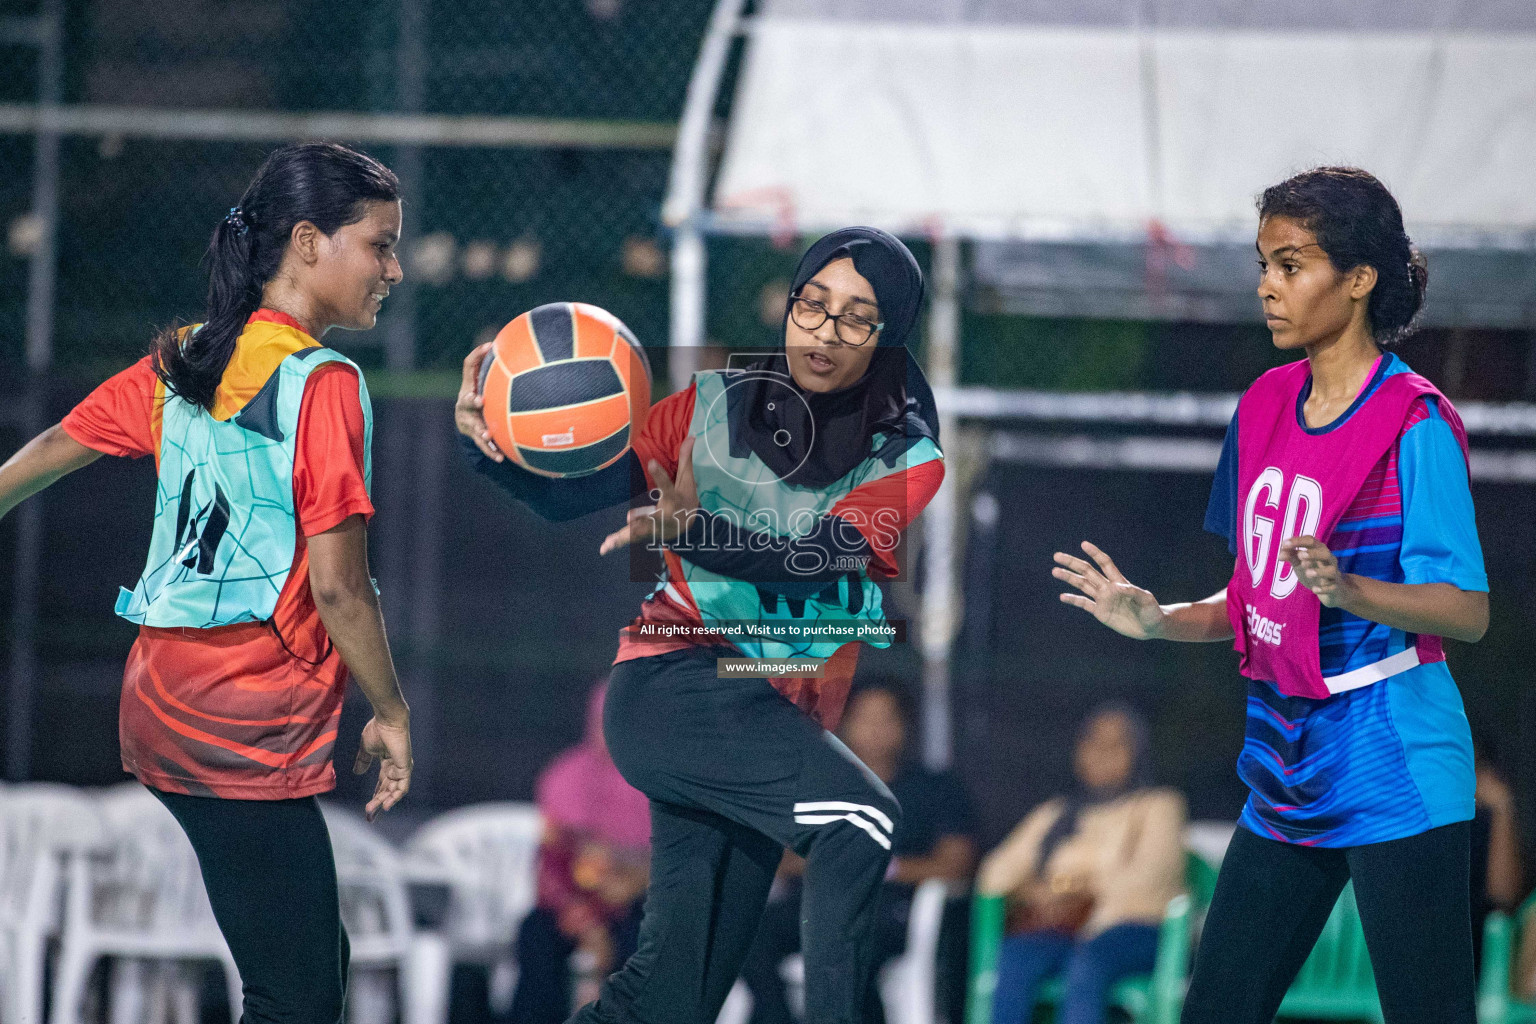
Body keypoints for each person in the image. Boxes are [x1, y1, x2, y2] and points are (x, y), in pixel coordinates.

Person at [456, 226, 945, 1024]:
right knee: (861, 819)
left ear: (889, 335)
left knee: (674, 997)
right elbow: (567, 494)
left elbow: (813, 560)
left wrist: (691, 533)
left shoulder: (906, 457)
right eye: (812, 305)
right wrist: (490, 446)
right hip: (676, 689)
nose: (825, 331)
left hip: (763, 712)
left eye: (857, 317)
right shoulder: (711, 407)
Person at [1052, 166, 1489, 1024]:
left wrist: (1353, 588)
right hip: (1288, 750)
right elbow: (1254, 599)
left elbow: (1466, 611)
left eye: (1291, 265)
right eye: (1264, 265)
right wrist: (1157, 621)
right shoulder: (1264, 405)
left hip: (1394, 743)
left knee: (1428, 1011)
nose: (1268, 287)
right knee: (1218, 1004)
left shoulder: (1415, 421)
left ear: (1358, 279)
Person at [0, 142, 414, 1024]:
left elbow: (38, 459)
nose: (396, 268)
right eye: (379, 245)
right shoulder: (322, 382)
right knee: (296, 994)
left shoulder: (187, 357)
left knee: (307, 967)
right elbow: (343, 589)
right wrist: (391, 712)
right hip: (242, 717)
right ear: (309, 241)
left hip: (161, 697)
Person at [737, 677, 978, 1024]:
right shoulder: (817, 784)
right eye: (865, 718)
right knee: (747, 934)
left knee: (847, 950)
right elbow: (775, 851)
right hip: (813, 902)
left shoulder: (935, 788)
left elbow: (956, 864)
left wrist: (879, 866)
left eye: (887, 719)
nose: (876, 730)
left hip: (888, 908)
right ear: (846, 724)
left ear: (905, 726)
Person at [977, 703, 1186, 1024]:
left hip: (1136, 930)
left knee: (1088, 960)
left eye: (1116, 744)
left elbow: (1149, 880)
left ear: (1137, 752)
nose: (1101, 752)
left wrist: (1075, 891)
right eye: (1092, 741)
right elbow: (994, 876)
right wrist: (1038, 893)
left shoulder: (1159, 805)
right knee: (1016, 957)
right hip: (1066, 931)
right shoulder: (1056, 813)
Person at [509, 681, 651, 1023]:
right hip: (571, 903)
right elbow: (553, 863)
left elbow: (666, 863)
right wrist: (586, 921)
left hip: (636, 906)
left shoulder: (659, 780)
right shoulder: (566, 776)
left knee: (643, 946)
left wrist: (628, 885)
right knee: (536, 935)